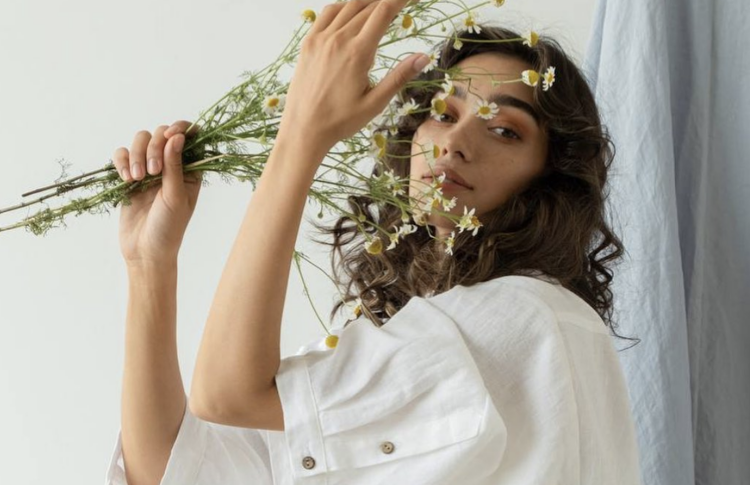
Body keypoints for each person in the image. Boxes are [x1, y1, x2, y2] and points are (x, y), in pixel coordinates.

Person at [106, 1, 643, 484]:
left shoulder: (525, 319)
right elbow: (178, 473)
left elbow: (226, 395)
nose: (454, 143)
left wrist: (303, 133)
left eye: (504, 129)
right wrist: (150, 264)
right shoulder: (407, 342)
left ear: (552, 174)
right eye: (443, 113)